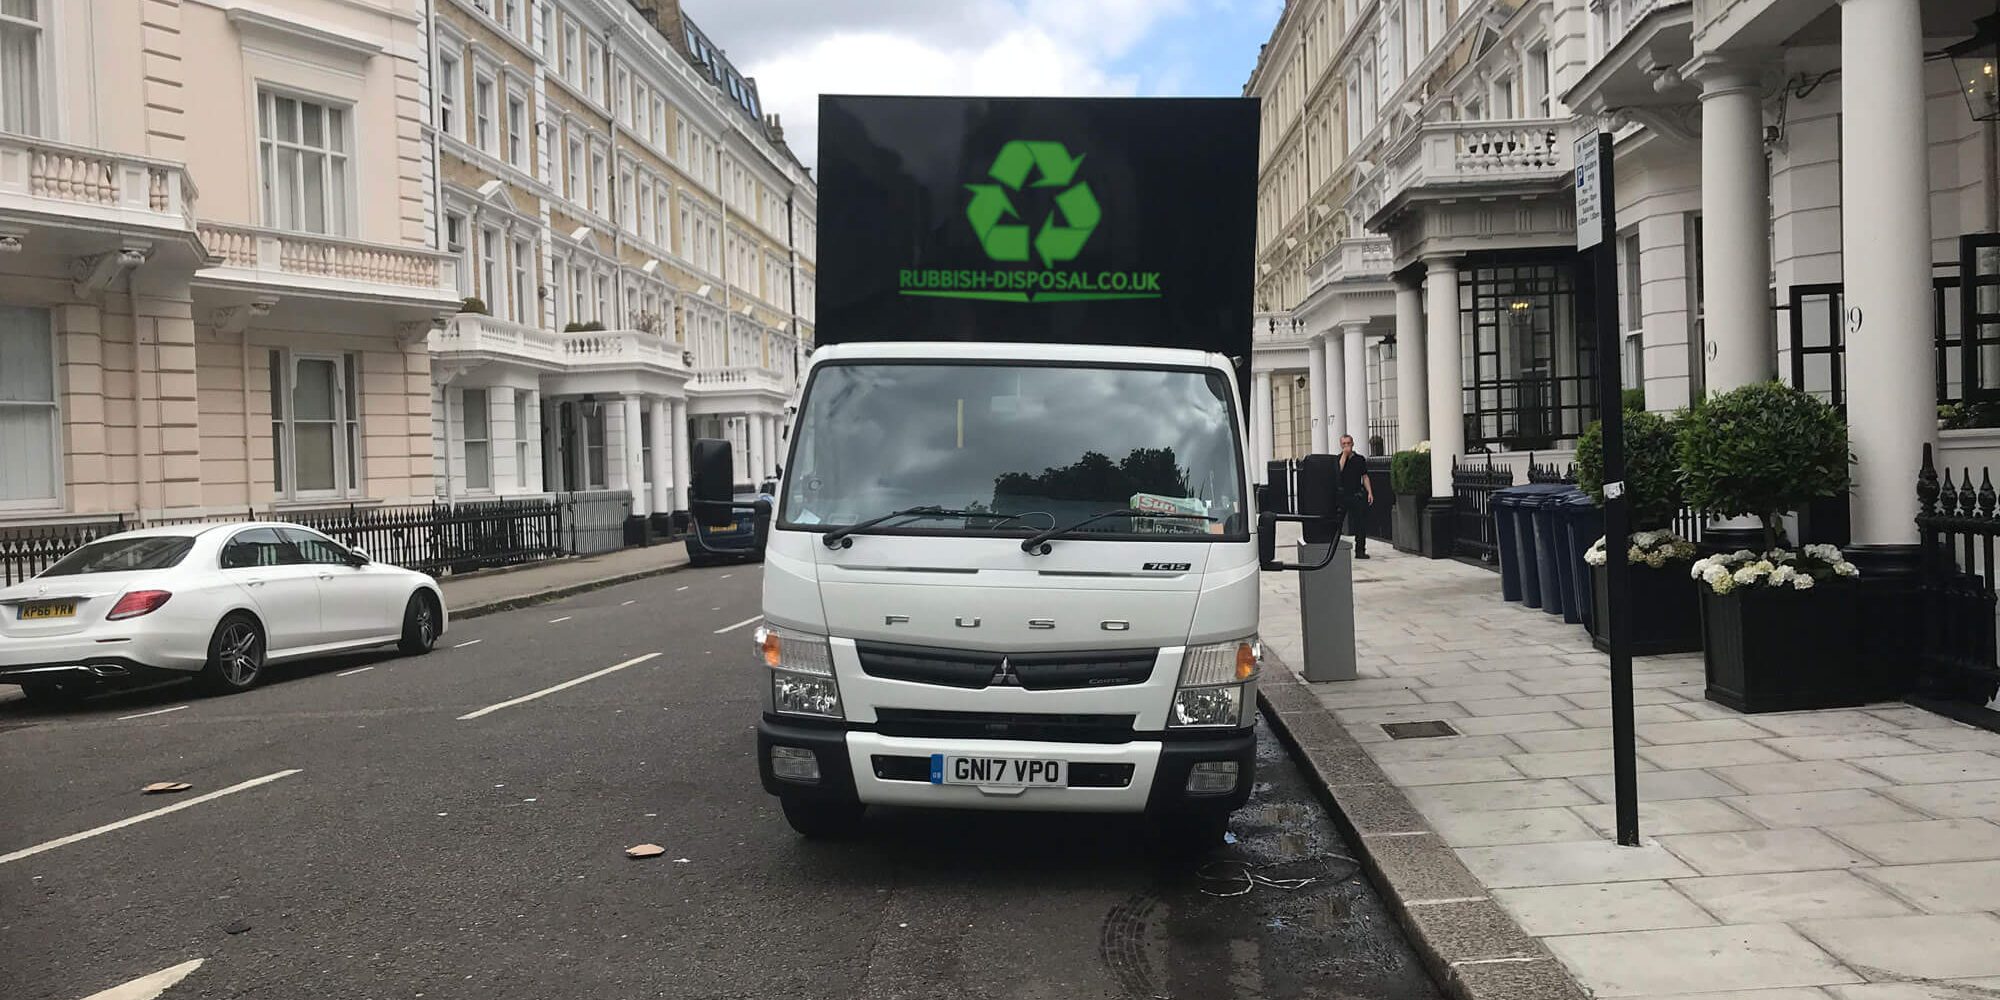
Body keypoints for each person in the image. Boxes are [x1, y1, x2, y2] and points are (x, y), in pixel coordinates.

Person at [1334, 434, 1373, 558]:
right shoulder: (1338, 459)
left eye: (1348, 443)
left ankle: (1360, 551)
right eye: (1344, 444)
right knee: (1337, 523)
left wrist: (1370, 492)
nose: (1346, 446)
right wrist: (1345, 456)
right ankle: (1333, 549)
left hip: (1356, 494)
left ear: (1352, 444)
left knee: (1360, 524)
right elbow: (1338, 470)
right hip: (1343, 495)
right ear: (1341, 445)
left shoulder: (1359, 459)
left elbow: (1365, 476)